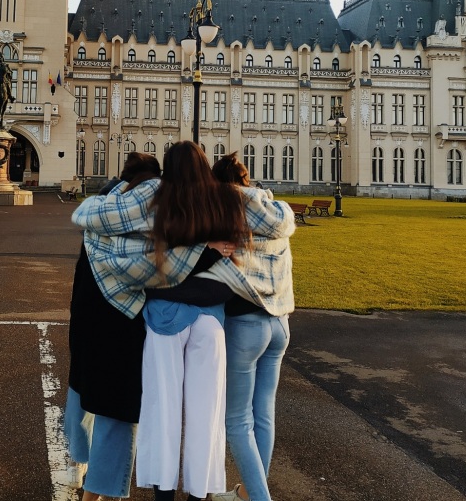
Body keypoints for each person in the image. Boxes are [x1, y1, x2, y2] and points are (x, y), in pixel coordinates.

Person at [74, 141, 293, 501]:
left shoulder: (161, 205)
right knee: (208, 415)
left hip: (165, 317)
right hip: (211, 318)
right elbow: (250, 238)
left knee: (164, 411)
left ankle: (164, 495)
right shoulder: (222, 203)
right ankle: (200, 493)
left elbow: (138, 251)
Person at [62, 152, 161, 501]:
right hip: (125, 321)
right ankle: (99, 491)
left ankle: (78, 462)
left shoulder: (98, 210)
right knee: (117, 409)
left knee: (81, 388)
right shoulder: (152, 214)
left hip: (87, 316)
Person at [207, 153, 296, 501]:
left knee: (238, 422)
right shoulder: (278, 212)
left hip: (246, 323)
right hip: (281, 324)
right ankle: (247, 493)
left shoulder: (224, 214)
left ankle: (259, 498)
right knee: (264, 415)